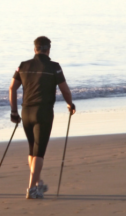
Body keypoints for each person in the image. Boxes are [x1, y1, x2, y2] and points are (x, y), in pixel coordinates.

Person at [9, 36, 76, 199]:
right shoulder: (54, 67)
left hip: (26, 113)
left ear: (35, 49)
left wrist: (14, 112)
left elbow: (12, 89)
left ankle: (37, 183)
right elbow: (65, 90)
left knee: (32, 149)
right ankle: (31, 189)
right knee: (39, 152)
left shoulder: (23, 66)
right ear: (48, 50)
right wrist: (70, 104)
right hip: (43, 113)